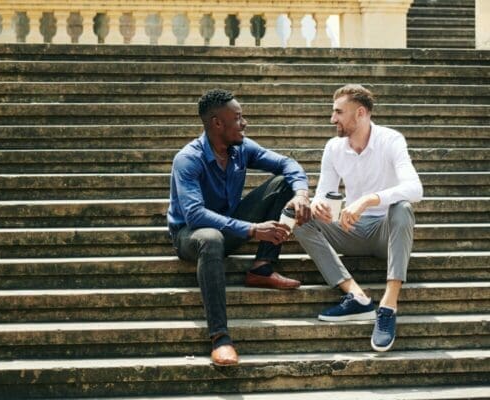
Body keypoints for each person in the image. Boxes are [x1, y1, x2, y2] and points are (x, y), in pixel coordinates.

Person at [167, 89, 311, 366]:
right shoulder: (188, 159)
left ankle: (263, 267)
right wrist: (254, 229)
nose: (244, 123)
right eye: (238, 118)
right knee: (210, 239)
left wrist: (302, 194)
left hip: (231, 226)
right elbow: (195, 215)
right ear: (217, 123)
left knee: (284, 183)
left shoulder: (241, 149)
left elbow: (287, 163)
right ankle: (220, 338)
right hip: (190, 235)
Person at [293, 84, 423, 352]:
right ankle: (357, 295)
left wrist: (367, 199)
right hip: (349, 229)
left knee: (402, 208)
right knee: (301, 220)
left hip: (386, 232)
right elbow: (323, 192)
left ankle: (388, 305)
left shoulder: (391, 140)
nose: (333, 119)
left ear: (361, 113)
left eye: (339, 112)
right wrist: (318, 205)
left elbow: (415, 189)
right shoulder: (333, 147)